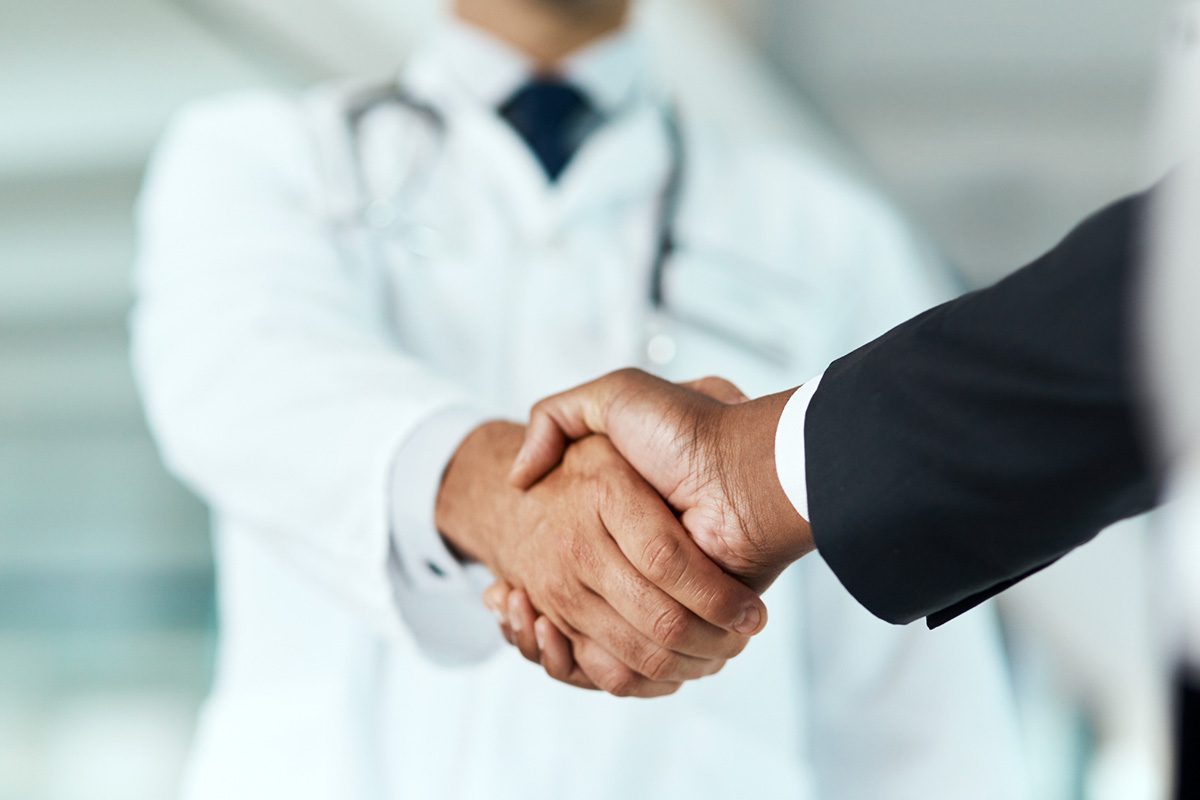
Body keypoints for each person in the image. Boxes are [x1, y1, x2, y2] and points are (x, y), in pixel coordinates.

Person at [132, 0, 1026, 796]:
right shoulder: (262, 158)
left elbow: (920, 710)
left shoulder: (830, 237)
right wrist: (509, 503)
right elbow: (239, 374)